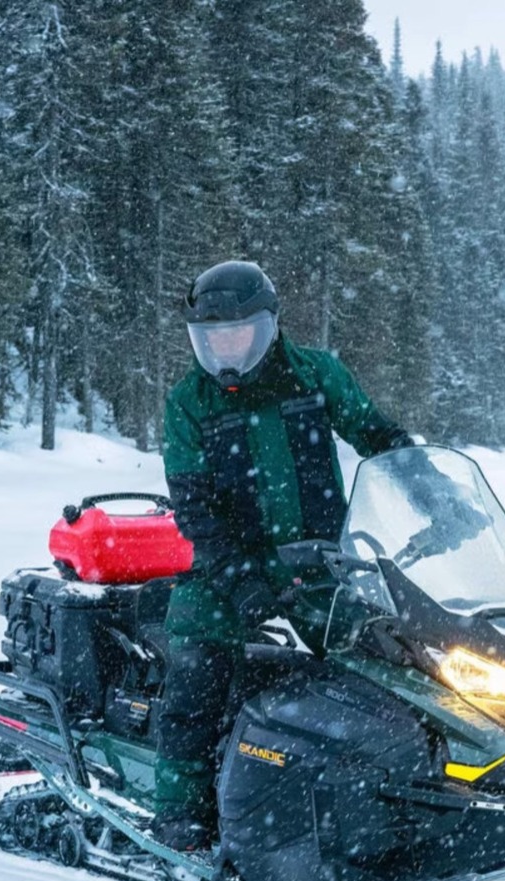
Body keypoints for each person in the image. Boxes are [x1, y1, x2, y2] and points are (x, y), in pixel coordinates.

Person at [152, 261, 412, 850]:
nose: (225, 348)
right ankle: (179, 810)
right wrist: (241, 580)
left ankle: (392, 791)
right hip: (227, 572)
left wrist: (426, 489)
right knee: (197, 664)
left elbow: (376, 436)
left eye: (237, 333)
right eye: (211, 336)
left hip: (323, 567)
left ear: (268, 328)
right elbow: (195, 511)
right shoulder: (189, 402)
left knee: (385, 661)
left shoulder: (315, 376)